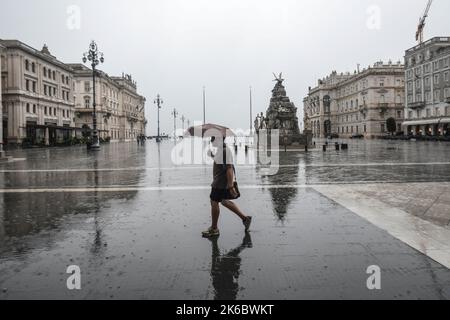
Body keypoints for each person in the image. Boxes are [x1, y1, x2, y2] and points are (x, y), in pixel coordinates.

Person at [202, 136, 252, 238]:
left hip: (220, 182)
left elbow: (229, 168)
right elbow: (222, 162)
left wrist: (230, 186)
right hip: (220, 181)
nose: (212, 141)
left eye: (213, 139)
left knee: (214, 201)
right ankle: (245, 219)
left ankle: (214, 229)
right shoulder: (222, 150)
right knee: (224, 201)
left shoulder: (225, 151)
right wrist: (212, 155)